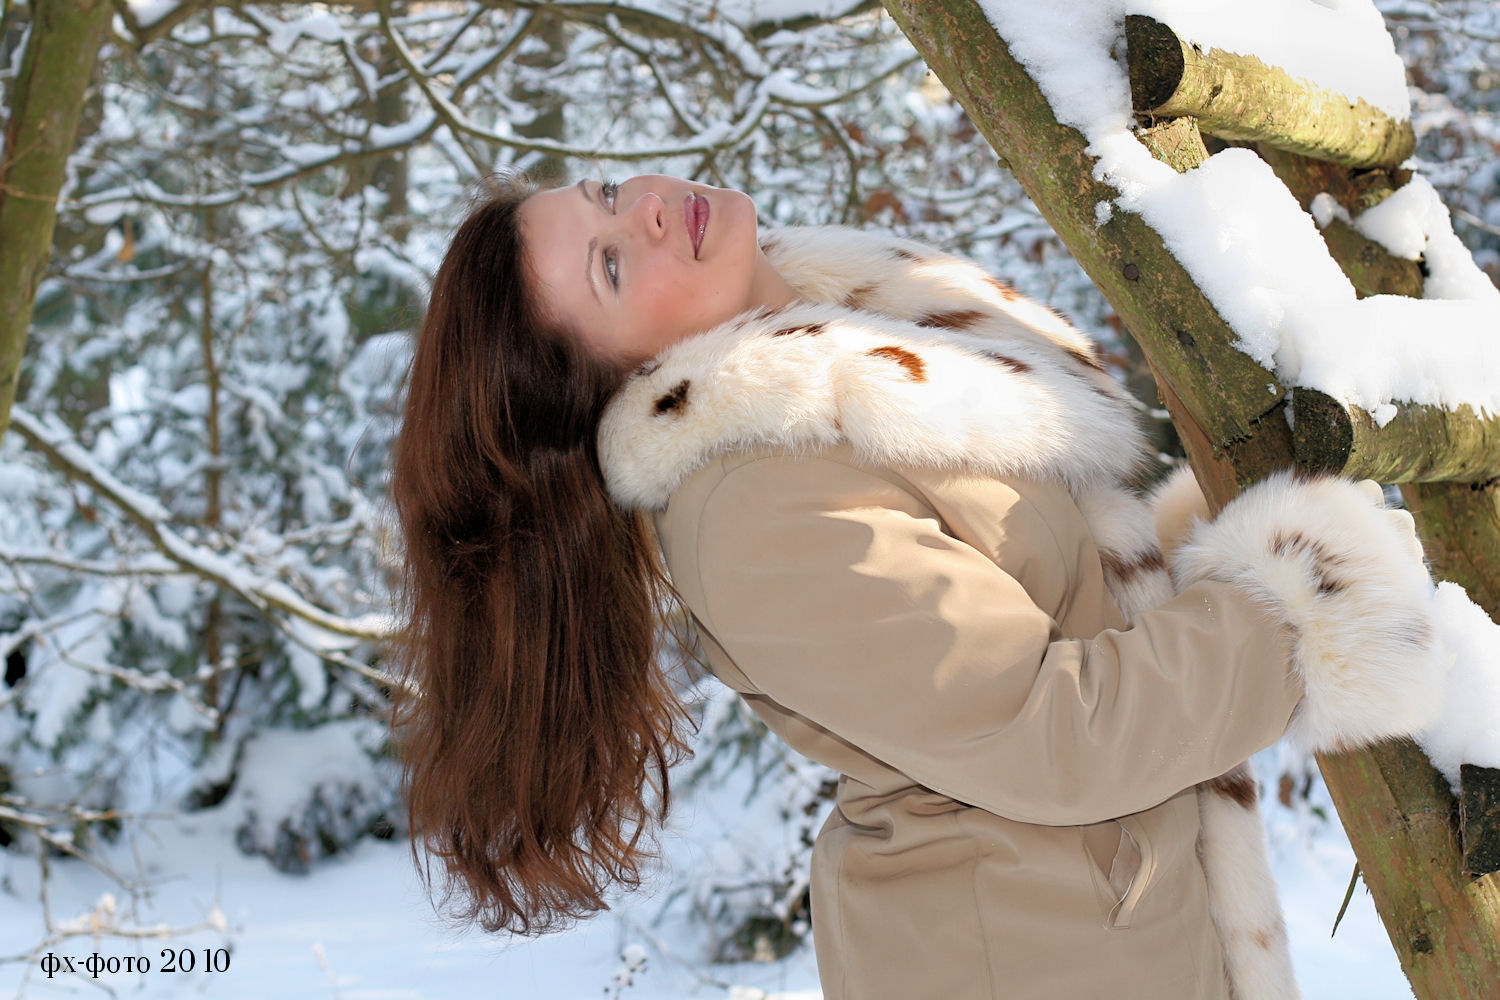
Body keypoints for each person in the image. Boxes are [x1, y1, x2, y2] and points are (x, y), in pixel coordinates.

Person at [387, 172, 1443, 1000]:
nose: (650, 210)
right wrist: (1302, 608)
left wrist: (1179, 557)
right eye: (613, 267)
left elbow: (1044, 572)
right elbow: (1050, 726)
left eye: (608, 196)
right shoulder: (754, 500)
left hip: (1115, 925)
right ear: (621, 382)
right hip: (1029, 962)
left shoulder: (848, 339)